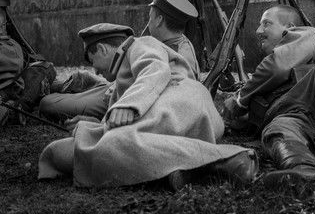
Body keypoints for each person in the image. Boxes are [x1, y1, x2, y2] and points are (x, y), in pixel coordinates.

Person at [38, 23, 258, 189]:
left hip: (181, 100)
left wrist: (129, 106)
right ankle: (188, 170)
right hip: (184, 112)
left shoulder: (141, 44)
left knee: (110, 144)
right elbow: (122, 114)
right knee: (100, 143)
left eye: (92, 61)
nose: (95, 71)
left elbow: (154, 70)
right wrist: (98, 123)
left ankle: (224, 160)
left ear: (104, 49)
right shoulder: (121, 82)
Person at [223, 4, 315, 187]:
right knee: (277, 130)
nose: (258, 31)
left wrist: (239, 99)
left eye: (266, 24)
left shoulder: (309, 34)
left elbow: (277, 67)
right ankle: (306, 171)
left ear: (290, 28)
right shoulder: (276, 66)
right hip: (293, 120)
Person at [39, 0, 201, 122]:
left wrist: (102, 122)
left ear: (159, 21)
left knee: (48, 103)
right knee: (79, 83)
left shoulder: (179, 55)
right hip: (121, 88)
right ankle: (79, 82)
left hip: (125, 98)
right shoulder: (175, 43)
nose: (148, 22)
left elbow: (164, 102)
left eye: (150, 18)